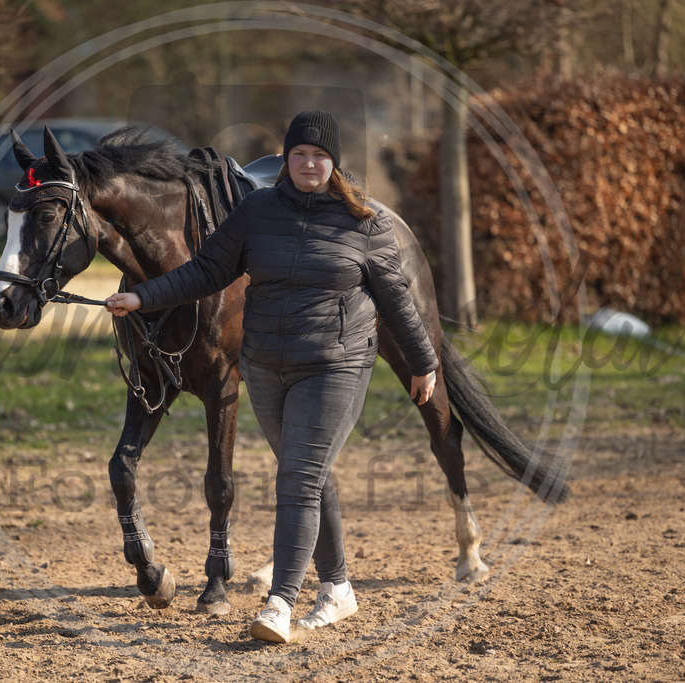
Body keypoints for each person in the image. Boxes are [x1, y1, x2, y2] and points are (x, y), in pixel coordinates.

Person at [105, 110, 438, 643]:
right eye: (300, 154)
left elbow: (395, 297)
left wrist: (424, 361)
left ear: (334, 163)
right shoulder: (255, 209)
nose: (310, 163)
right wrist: (142, 296)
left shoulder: (365, 221)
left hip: (336, 362)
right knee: (308, 470)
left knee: (298, 476)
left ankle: (280, 601)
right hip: (266, 366)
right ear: (286, 160)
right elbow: (207, 271)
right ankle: (338, 588)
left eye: (320, 156)